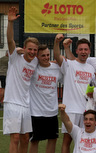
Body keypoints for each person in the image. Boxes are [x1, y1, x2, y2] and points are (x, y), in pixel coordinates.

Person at [3, 7, 39, 153]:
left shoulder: (35, 61)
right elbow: (10, 41)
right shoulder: (15, 57)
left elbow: (48, 62)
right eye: (30, 49)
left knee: (25, 138)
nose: (32, 52)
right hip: (12, 102)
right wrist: (10, 23)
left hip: (26, 105)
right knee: (16, 138)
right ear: (24, 48)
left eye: (34, 50)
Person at [54, 35, 96, 153]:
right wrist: (57, 42)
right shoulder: (69, 64)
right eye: (81, 49)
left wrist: (91, 94)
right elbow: (57, 56)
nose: (83, 52)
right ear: (77, 51)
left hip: (86, 111)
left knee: (84, 142)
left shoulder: (91, 69)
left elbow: (91, 89)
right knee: (67, 141)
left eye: (86, 49)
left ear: (89, 51)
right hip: (71, 110)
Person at [28, 44, 63, 153]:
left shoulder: (56, 68)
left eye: (48, 55)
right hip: (36, 112)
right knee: (34, 140)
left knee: (52, 139)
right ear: (37, 57)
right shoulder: (33, 67)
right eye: (43, 55)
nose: (46, 58)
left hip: (52, 112)